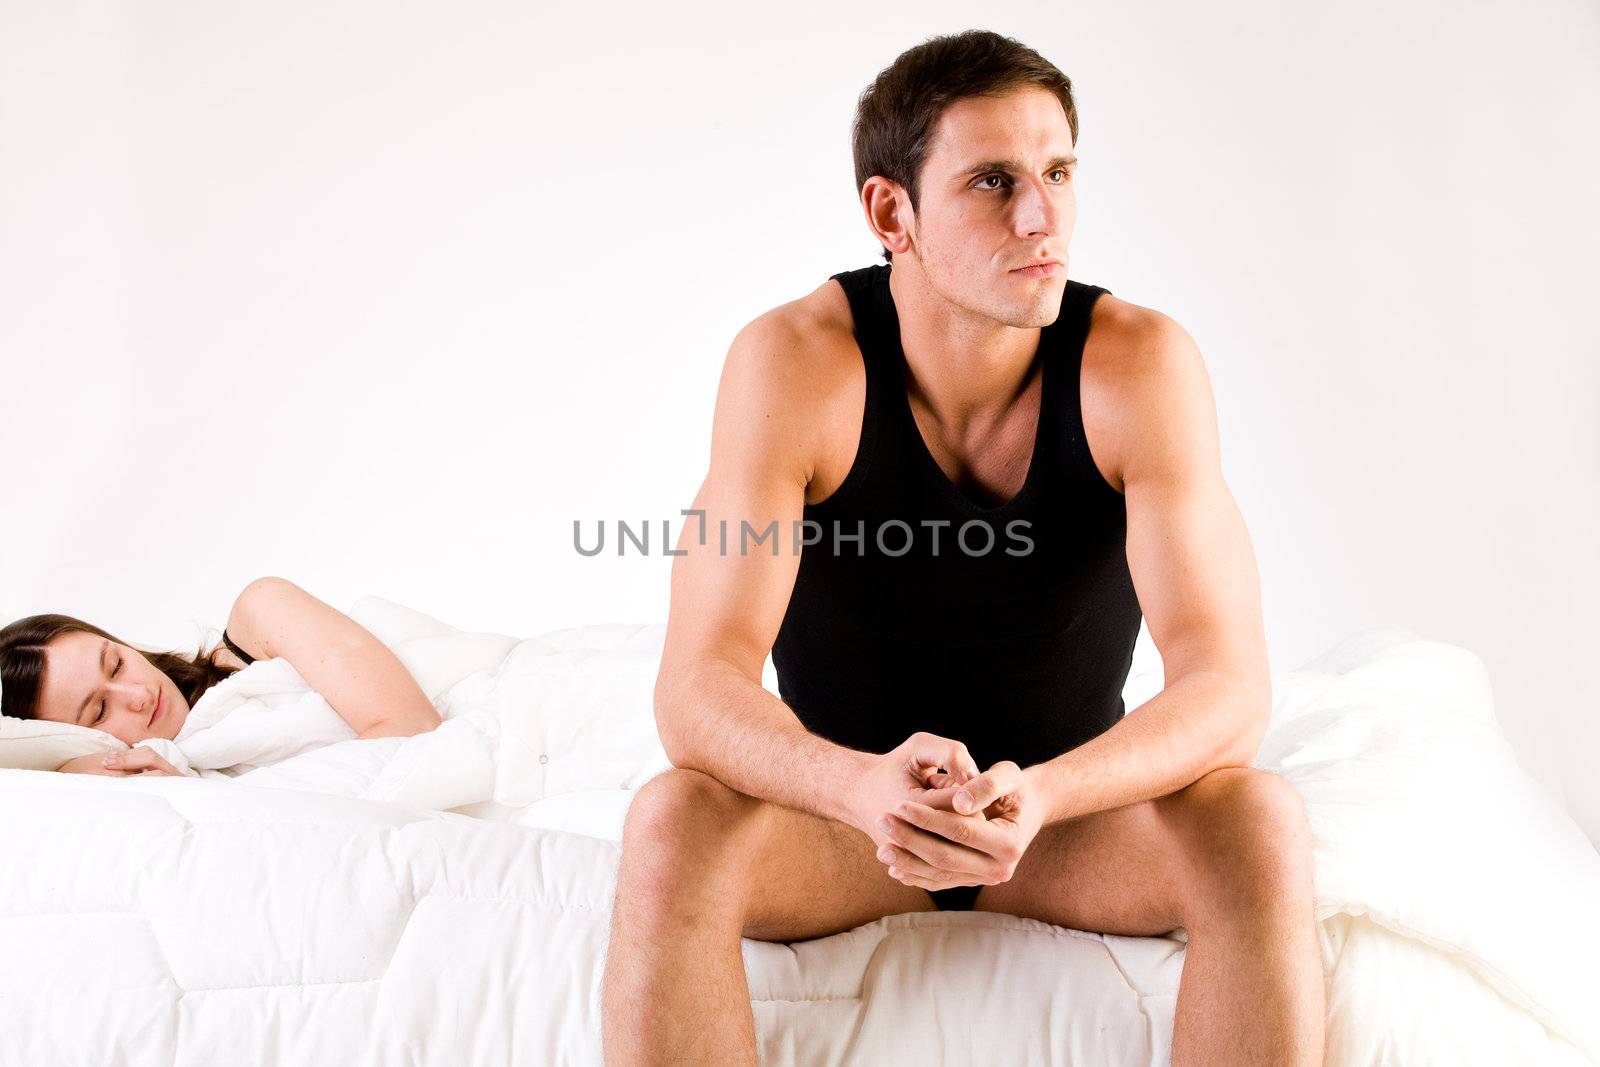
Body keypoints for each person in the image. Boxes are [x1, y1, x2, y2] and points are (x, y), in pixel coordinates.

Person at [603, 29, 1324, 1066]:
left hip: (1062, 825)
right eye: (992, 181)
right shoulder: (795, 364)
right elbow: (697, 688)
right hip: (849, 827)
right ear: (892, 211)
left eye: (1058, 173)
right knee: (671, 821)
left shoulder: (1138, 367)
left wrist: (1042, 793)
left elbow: (1227, 685)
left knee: (1257, 819)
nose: (1041, 218)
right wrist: (858, 787)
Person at [0, 576, 442, 776]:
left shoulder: (260, 615)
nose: (137, 694)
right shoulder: (162, 776)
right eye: (99, 710)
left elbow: (413, 728)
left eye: (116, 663)